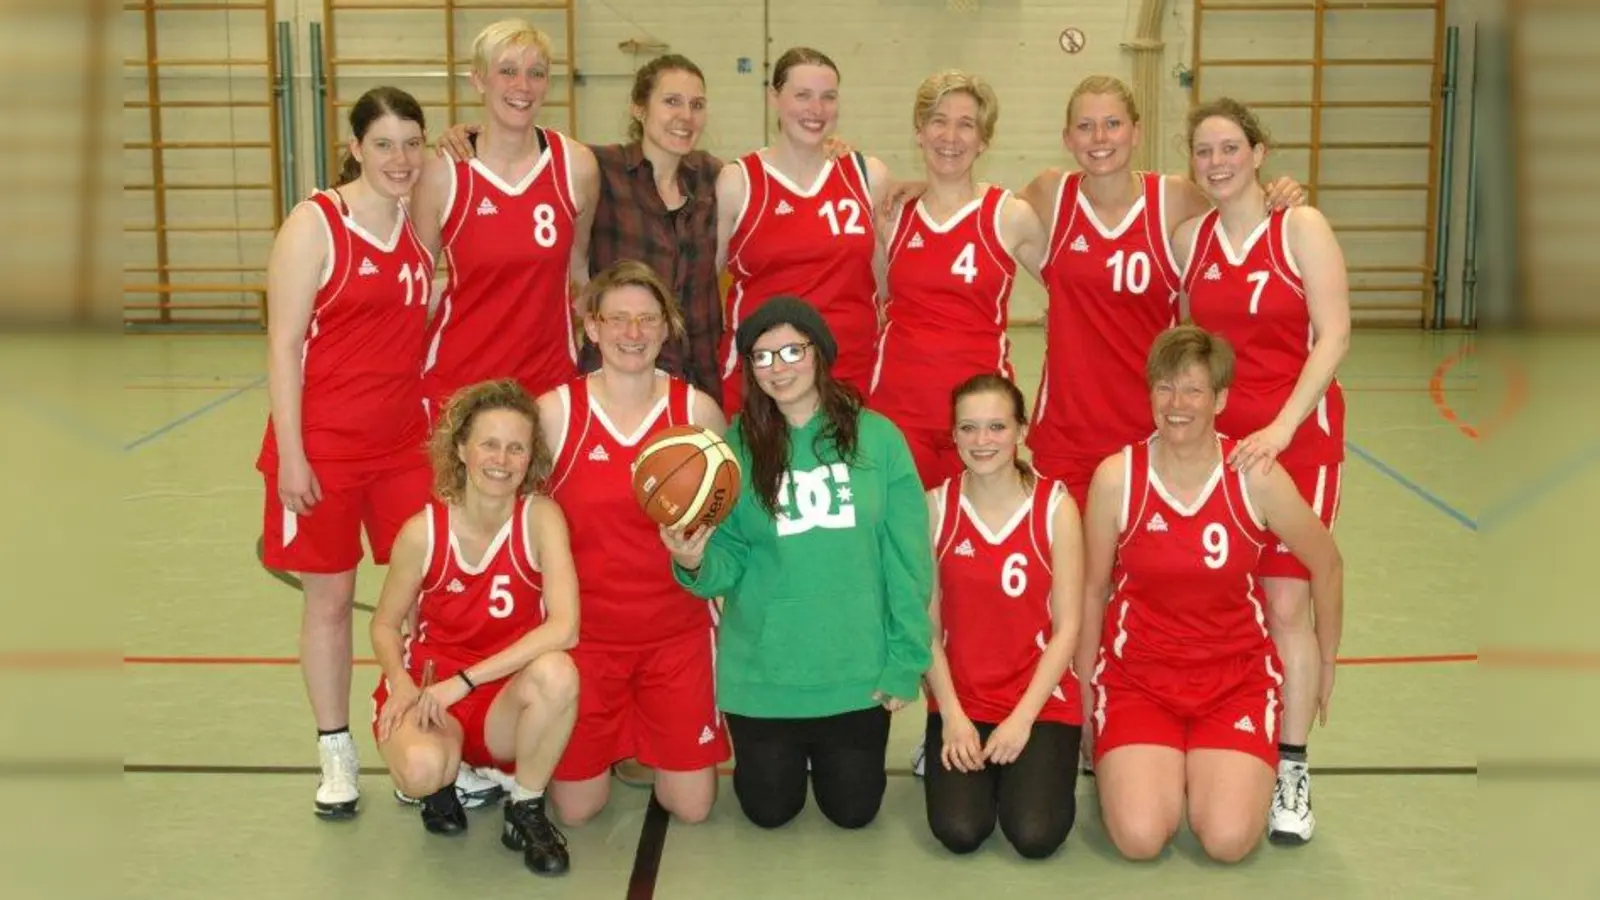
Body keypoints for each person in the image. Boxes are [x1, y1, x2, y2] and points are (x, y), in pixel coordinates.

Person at [660, 296, 932, 830]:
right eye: (761, 357)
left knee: (852, 812)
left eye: (791, 350)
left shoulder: (879, 438)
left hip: (855, 673)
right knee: (768, 811)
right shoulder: (734, 448)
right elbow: (730, 559)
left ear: (820, 354)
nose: (777, 367)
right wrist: (692, 562)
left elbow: (909, 561)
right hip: (764, 675)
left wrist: (905, 662)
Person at [1075, 325, 1343, 864]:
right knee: (1140, 837)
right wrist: (1084, 699)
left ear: (1220, 399)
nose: (1178, 404)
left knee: (1226, 840)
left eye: (1194, 390)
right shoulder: (1115, 478)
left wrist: (1328, 657)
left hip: (1233, 680)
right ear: (1149, 394)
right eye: (1165, 388)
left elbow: (1328, 563)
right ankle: (1156, 764)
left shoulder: (1255, 477)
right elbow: (1092, 589)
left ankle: (1198, 767)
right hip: (1138, 679)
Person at [1174, 97, 1351, 845]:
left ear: (1259, 151)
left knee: (1285, 609)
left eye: (1229, 148)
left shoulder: (1299, 226)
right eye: (1203, 151)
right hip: (1224, 448)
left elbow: (1335, 333)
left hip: (1295, 442)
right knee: (1225, 601)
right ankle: (1226, 741)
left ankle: (1292, 765)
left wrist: (1281, 425)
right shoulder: (1192, 239)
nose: (1216, 162)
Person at [256, 86, 435, 819]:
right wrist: (293, 455)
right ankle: (335, 748)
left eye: (413, 143)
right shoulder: (315, 223)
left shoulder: (417, 220)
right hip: (323, 449)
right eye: (385, 143)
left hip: (403, 448)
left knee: (422, 595)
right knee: (330, 604)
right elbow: (283, 344)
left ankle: (404, 729)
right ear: (355, 147)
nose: (401, 159)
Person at [1020, 76, 1305, 510]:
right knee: (1070, 575)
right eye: (1085, 126)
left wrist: (1276, 194)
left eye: (1113, 123)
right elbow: (978, 214)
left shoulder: (1173, 199)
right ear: (1066, 137)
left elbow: (1239, 225)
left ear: (1136, 132)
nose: (1100, 138)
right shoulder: (1050, 193)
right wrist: (927, 188)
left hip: (1153, 429)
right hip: (1066, 434)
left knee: (1148, 573)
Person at [536, 260, 730, 824]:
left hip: (677, 636)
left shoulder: (696, 413)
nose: (633, 333)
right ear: (591, 327)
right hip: (587, 642)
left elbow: (726, 525)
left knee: (692, 808)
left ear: (667, 326)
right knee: (576, 811)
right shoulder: (555, 414)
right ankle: (612, 745)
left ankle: (647, 741)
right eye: (617, 319)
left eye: (648, 319)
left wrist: (698, 554)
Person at [368, 379, 580, 876]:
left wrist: (462, 683)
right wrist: (400, 684)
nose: (501, 459)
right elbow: (383, 625)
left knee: (559, 672)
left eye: (516, 447)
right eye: (488, 443)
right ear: (460, 448)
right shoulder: (422, 532)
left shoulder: (541, 518)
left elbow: (565, 628)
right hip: (429, 691)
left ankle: (523, 808)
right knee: (420, 771)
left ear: (531, 458)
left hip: (498, 697)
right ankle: (442, 781)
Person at [437, 53, 726, 404]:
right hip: (616, 377)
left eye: (697, 105)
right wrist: (470, 135)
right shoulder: (598, 169)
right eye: (671, 102)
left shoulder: (714, 177)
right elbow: (524, 146)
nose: (686, 116)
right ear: (638, 108)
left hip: (699, 376)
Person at [921, 373, 1084, 859]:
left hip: (1039, 699)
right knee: (959, 831)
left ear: (1020, 432)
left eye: (996, 427)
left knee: (1035, 835)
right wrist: (950, 714)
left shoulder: (1057, 508)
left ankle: (1027, 764)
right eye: (968, 429)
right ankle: (962, 757)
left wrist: (1021, 721)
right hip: (963, 699)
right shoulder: (936, 507)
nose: (982, 440)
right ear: (953, 436)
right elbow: (926, 625)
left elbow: (1068, 626)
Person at [409, 18, 600, 419]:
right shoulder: (442, 172)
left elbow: (579, 269)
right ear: (478, 80)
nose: (523, 86)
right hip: (458, 385)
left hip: (547, 384)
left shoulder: (576, 166)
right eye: (507, 71)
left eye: (536, 73)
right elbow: (416, 287)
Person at [870, 70, 1045, 489]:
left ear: (983, 140)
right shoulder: (892, 216)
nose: (951, 136)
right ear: (919, 132)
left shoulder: (1009, 215)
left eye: (966, 124)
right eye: (938, 120)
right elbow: (875, 303)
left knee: (973, 542)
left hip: (980, 419)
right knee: (904, 544)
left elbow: (1075, 289)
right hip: (900, 412)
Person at [714, 47, 895, 415]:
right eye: (802, 95)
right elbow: (706, 282)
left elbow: (886, 279)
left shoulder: (867, 175)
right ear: (774, 98)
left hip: (849, 371)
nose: (817, 109)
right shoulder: (739, 181)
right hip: (765, 376)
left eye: (828, 97)